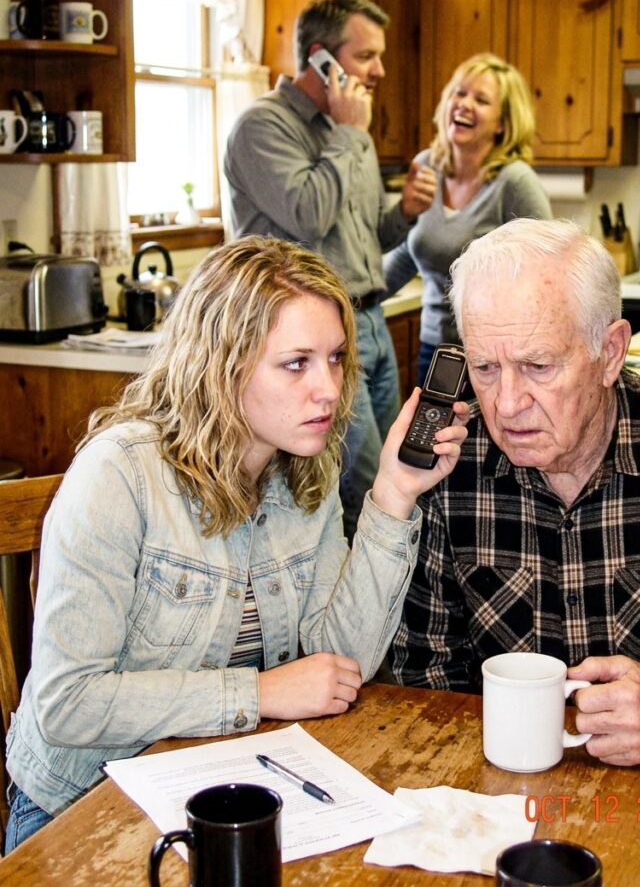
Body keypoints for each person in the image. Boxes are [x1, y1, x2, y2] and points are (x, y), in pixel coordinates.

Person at [4, 235, 468, 851]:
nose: (330, 389)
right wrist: (260, 693)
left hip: (228, 782)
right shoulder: (119, 474)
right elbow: (68, 703)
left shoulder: (307, 469)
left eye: (335, 358)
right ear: (222, 364)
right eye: (296, 363)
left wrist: (393, 493)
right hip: (83, 805)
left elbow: (339, 664)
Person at [391, 218, 640, 767]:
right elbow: (424, 671)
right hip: (498, 785)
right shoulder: (450, 464)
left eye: (538, 366)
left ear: (610, 353)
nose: (507, 404)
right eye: (485, 368)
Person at [224, 0, 437, 540]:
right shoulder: (263, 127)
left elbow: (363, 236)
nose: (379, 70)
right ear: (322, 59)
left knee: (393, 475)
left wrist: (405, 213)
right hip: (312, 341)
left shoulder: (348, 129)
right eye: (366, 56)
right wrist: (348, 134)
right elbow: (308, 214)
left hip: (370, 324)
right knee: (359, 488)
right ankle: (349, 596)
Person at [383, 53, 551, 385]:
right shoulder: (426, 167)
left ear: (502, 123)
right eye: (459, 93)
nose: (464, 104)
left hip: (495, 358)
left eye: (481, 100)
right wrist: (355, 296)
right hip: (434, 349)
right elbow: (410, 251)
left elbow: (546, 271)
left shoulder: (514, 182)